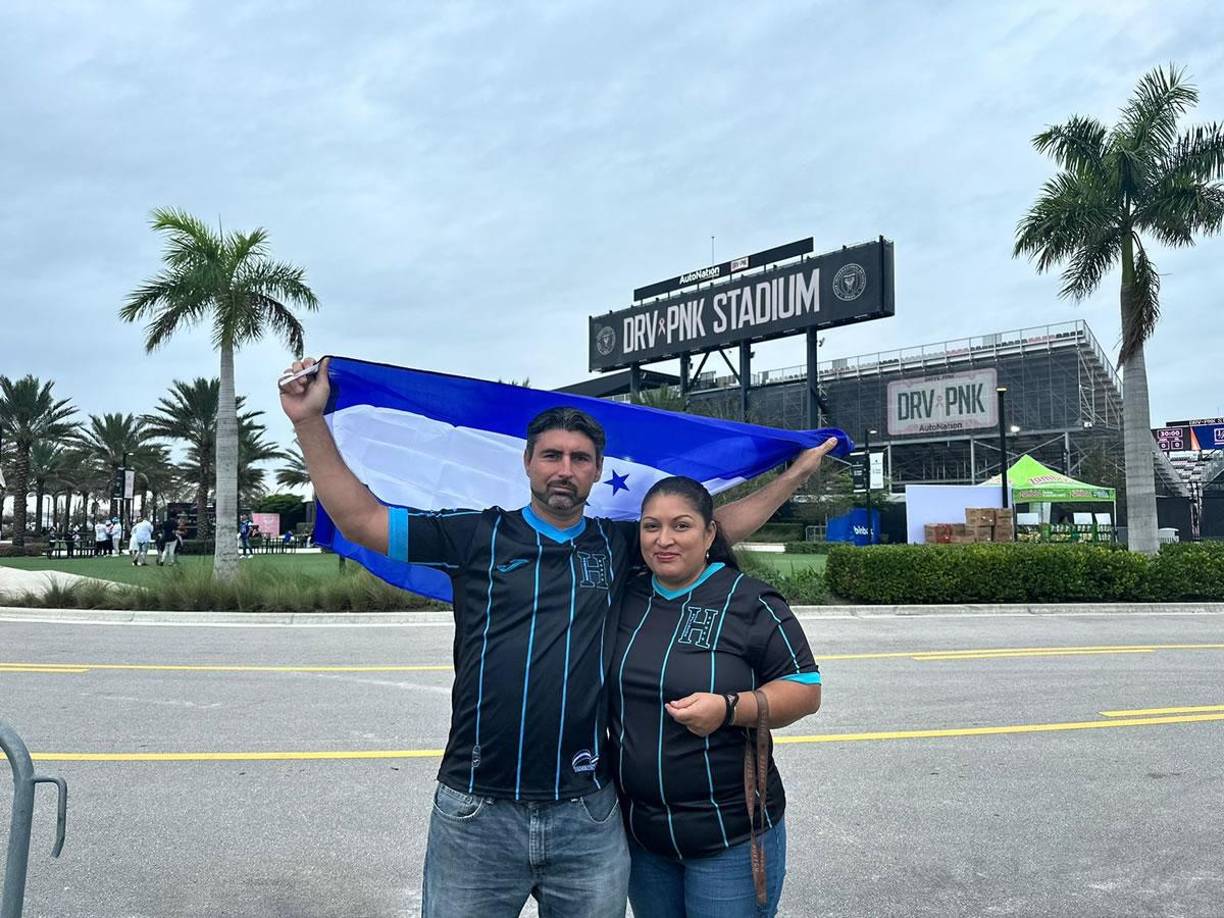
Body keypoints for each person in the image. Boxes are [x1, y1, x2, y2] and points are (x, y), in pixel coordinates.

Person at [279, 356, 837, 918]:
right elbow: (362, 520)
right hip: (477, 809)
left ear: (597, 471)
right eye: (552, 455)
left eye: (580, 458)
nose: (564, 469)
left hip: (588, 817)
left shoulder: (619, 545)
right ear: (527, 463)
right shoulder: (477, 535)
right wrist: (308, 421)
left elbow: (710, 530)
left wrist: (793, 476)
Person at [609, 476, 821, 918]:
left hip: (730, 837)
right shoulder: (625, 595)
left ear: (709, 534)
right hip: (644, 837)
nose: (664, 540)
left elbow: (804, 691)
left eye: (681, 526)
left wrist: (727, 709)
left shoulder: (750, 602)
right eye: (651, 527)